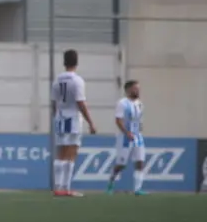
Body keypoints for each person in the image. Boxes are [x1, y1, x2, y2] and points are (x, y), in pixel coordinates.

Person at [51, 49, 97, 197]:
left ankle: (57, 187)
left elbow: (54, 102)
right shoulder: (77, 80)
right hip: (73, 119)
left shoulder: (57, 80)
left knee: (61, 152)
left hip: (60, 117)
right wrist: (91, 122)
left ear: (64, 61)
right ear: (76, 62)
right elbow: (80, 103)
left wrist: (56, 115)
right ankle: (66, 187)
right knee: (72, 152)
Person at [107, 80, 147, 195]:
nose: (138, 91)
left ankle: (137, 189)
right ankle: (111, 182)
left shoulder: (140, 103)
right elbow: (118, 120)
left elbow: (139, 120)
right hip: (125, 138)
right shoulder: (122, 103)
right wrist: (126, 132)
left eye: (138, 89)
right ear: (128, 90)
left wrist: (139, 131)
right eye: (135, 89)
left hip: (138, 137)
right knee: (121, 164)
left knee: (140, 162)